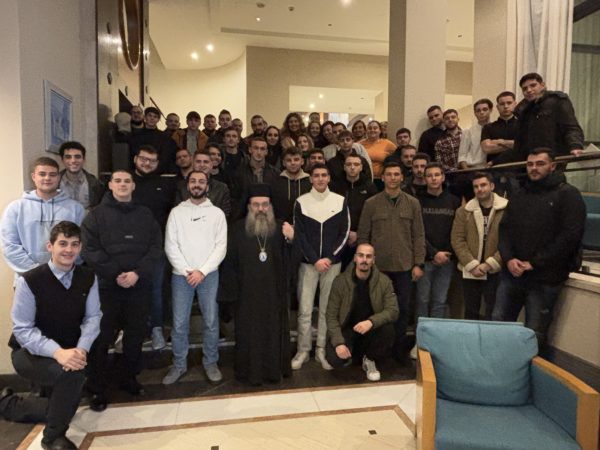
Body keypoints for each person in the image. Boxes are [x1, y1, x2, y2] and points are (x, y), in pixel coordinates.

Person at [1, 221, 101, 450]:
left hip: (71, 350)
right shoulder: (30, 280)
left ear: (80, 247)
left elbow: (93, 318)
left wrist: (81, 349)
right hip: (29, 353)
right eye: (62, 243)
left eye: (74, 244)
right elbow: (23, 330)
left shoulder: (88, 277)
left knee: (64, 404)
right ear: (50, 246)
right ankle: (53, 438)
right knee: (72, 379)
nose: (69, 250)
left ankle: (8, 404)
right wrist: (58, 353)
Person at [81, 170, 162, 409]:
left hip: (138, 285)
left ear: (134, 186)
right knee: (102, 337)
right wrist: (115, 273)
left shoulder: (145, 214)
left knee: (135, 336)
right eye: (118, 181)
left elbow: (156, 247)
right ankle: (97, 387)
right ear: (110, 185)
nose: (123, 184)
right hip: (107, 286)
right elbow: (89, 249)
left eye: (127, 181)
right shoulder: (95, 215)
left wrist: (137, 273)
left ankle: (129, 378)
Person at [492, 149, 586, 352]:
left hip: (545, 278)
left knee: (534, 333)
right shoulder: (519, 194)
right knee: (498, 325)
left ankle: (529, 371)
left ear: (553, 166)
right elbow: (505, 230)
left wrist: (534, 263)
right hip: (512, 274)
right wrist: (508, 259)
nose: (534, 168)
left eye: (540, 163)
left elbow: (569, 237)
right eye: (530, 164)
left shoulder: (568, 195)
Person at [222, 184, 294, 385]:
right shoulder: (237, 230)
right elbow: (229, 264)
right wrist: (231, 295)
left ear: (270, 206)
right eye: (256, 205)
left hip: (273, 294)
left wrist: (291, 240)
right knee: (249, 333)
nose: (261, 209)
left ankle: (273, 371)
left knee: (273, 332)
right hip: (246, 295)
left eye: (265, 204)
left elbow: (291, 261)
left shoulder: (280, 228)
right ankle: (249, 372)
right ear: (249, 206)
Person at [162, 170, 227, 385]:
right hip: (181, 276)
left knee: (211, 321)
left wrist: (203, 271)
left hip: (209, 275)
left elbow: (221, 247)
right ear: (187, 185)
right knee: (180, 323)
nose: (197, 185)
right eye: (193, 181)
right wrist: (187, 271)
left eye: (201, 181)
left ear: (207, 186)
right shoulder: (176, 213)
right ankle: (179, 364)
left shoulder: (217, 214)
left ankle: (211, 362)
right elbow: (170, 246)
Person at [357, 161, 425, 361]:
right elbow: (363, 235)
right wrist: (364, 263)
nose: (393, 178)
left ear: (402, 177)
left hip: (404, 267)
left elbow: (418, 235)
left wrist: (418, 263)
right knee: (376, 310)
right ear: (383, 177)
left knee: (402, 310)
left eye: (396, 174)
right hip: (378, 269)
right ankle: (376, 351)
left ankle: (398, 351)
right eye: (389, 174)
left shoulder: (413, 203)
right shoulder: (371, 203)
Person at [292, 164, 350, 370]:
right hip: (308, 265)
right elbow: (299, 235)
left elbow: (344, 233)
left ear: (329, 178)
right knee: (305, 310)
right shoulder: (301, 202)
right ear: (310, 179)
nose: (320, 179)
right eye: (316, 175)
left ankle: (321, 350)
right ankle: (303, 350)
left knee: (327, 310)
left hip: (332, 265)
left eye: (324, 175)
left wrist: (330, 258)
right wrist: (315, 259)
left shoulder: (340, 201)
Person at [1, 157, 85, 277]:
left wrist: (62, 269)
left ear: (58, 177)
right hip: (28, 277)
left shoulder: (76, 209)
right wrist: (37, 272)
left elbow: (82, 243)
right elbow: (9, 245)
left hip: (66, 277)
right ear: (33, 176)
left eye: (52, 174)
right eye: (42, 174)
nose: (47, 178)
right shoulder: (15, 209)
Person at [325, 244, 398, 381]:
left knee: (388, 330)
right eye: (361, 255)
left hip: (371, 330)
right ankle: (355, 356)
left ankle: (369, 359)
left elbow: (393, 310)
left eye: (368, 256)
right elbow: (331, 315)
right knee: (334, 359)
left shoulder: (384, 281)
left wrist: (371, 322)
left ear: (373, 260)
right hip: (348, 330)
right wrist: (339, 343)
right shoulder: (340, 281)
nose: (364, 260)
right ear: (355, 258)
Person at [131, 145, 177, 350]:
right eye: (144, 159)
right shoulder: (126, 182)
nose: (147, 163)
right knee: (133, 290)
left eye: (152, 160)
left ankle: (157, 328)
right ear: (135, 159)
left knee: (157, 290)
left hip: (157, 247)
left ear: (157, 163)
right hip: (130, 247)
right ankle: (134, 330)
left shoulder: (164, 185)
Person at [413, 163, 461, 345]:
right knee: (422, 300)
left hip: (447, 260)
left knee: (440, 301)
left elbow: (458, 231)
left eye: (437, 175)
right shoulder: (417, 201)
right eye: (429, 175)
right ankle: (421, 341)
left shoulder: (454, 201)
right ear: (424, 179)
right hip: (424, 259)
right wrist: (433, 253)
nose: (433, 178)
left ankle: (435, 340)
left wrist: (445, 253)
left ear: (443, 177)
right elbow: (417, 231)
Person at [451, 172, 507, 320]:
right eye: (476, 186)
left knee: (494, 312)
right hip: (470, 269)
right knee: (470, 311)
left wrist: (490, 264)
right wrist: (472, 264)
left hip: (496, 270)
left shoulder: (506, 209)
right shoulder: (463, 211)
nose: (479, 189)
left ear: (492, 186)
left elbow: (509, 241)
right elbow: (457, 239)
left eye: (483, 185)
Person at [494, 73, 584, 164]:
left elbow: (570, 127)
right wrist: (496, 161)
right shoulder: (523, 110)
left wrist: (575, 146)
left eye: (533, 85)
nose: (529, 90)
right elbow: (519, 145)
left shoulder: (557, 101)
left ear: (542, 85)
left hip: (552, 159)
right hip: (530, 162)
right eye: (525, 89)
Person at [330, 152, 378, 269]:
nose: (352, 167)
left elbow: (373, 215)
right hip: (338, 237)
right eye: (349, 164)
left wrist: (359, 234)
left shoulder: (370, 187)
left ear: (361, 167)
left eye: (356, 164)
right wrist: (344, 233)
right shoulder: (334, 187)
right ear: (344, 167)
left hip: (362, 238)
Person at [58, 141, 105, 210]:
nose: (73, 161)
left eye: (77, 157)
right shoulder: (54, 182)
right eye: (68, 157)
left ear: (84, 160)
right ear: (62, 160)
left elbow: (100, 208)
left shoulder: (96, 184)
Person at [272, 146, 311, 223]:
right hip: (281, 225)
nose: (293, 163)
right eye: (289, 160)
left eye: (296, 159)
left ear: (302, 161)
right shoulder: (276, 181)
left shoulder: (310, 181)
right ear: (283, 163)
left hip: (306, 225)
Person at [481, 91, 518, 164]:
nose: (506, 106)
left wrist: (500, 142)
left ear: (515, 104)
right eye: (502, 104)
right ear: (497, 107)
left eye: (509, 103)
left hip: (519, 166)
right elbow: (487, 148)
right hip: (494, 167)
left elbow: (525, 145)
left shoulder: (523, 124)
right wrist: (514, 145)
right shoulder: (488, 127)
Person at [458, 99, 492, 170]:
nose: (481, 112)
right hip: (474, 168)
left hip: (494, 167)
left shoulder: (497, 129)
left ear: (490, 110)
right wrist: (467, 171)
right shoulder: (468, 132)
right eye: (478, 110)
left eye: (485, 109)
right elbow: (462, 156)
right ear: (475, 113)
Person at [360, 120, 396, 186]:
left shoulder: (388, 144)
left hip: (381, 179)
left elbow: (397, 156)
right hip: (363, 178)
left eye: (375, 128)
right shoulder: (360, 144)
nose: (372, 130)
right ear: (366, 131)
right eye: (370, 128)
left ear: (380, 131)